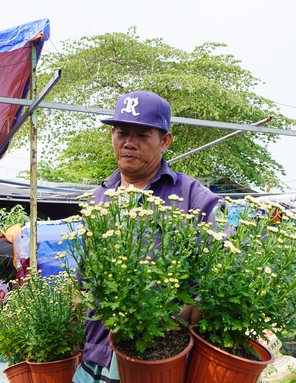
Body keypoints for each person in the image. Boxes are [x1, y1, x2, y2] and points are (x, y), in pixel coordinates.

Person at [72, 91, 224, 383]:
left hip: (161, 358)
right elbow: (86, 276)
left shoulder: (192, 196)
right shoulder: (99, 198)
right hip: (98, 354)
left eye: (142, 134)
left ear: (165, 141)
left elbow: (227, 253)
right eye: (121, 132)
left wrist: (201, 299)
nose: (129, 142)